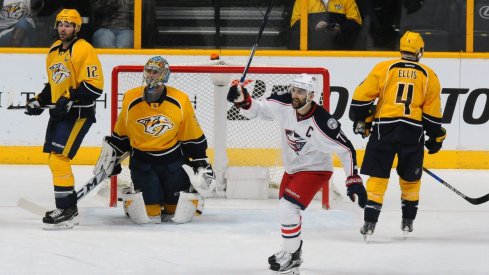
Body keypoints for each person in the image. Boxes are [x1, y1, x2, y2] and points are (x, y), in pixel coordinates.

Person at [227, 74, 367, 273]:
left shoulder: (323, 122)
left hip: (315, 170)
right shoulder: (284, 102)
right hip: (292, 169)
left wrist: (353, 179)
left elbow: (347, 149)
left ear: (311, 95)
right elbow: (257, 110)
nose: (294, 95)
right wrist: (243, 100)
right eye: (293, 90)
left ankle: (292, 258)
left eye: (300, 92)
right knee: (287, 211)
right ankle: (292, 253)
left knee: (287, 208)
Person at [93, 56, 216, 224]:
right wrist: (113, 156)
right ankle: (136, 196)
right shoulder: (130, 97)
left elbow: (190, 135)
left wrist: (202, 162)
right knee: (150, 215)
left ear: (165, 75)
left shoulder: (180, 99)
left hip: (173, 163)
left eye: (156, 72)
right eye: (149, 71)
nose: (151, 75)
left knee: (175, 214)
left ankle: (188, 196)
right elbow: (122, 133)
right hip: (143, 163)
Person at [349, 31, 446, 240]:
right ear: (420, 50)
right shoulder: (429, 74)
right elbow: (432, 114)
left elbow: (361, 97)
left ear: (400, 49)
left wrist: (361, 119)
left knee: (378, 177)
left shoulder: (385, 68)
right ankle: (408, 220)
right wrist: (436, 137)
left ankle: (369, 222)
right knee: (410, 179)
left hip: (385, 128)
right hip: (412, 132)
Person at [24, 8, 104, 230]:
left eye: (68, 24)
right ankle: (68, 207)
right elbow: (54, 84)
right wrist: (39, 101)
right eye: (60, 23)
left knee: (59, 157)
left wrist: (70, 98)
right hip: (60, 114)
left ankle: (66, 211)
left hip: (78, 114)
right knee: (53, 158)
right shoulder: (53, 50)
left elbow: (94, 86)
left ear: (77, 28)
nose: (63, 28)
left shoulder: (84, 49)